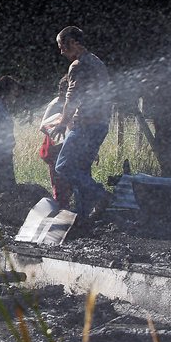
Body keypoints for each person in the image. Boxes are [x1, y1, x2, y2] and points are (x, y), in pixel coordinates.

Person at [50, 26, 113, 221]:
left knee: (63, 167)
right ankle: (83, 215)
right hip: (101, 124)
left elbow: (72, 98)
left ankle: (101, 196)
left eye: (63, 46)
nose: (61, 51)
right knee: (82, 169)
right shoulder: (97, 62)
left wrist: (62, 122)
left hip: (84, 124)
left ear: (74, 43)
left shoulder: (78, 65)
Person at [39, 75, 72, 208]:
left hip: (69, 147)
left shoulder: (71, 102)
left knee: (69, 184)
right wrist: (59, 131)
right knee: (59, 184)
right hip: (56, 148)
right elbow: (43, 126)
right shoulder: (55, 104)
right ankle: (59, 212)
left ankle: (67, 210)